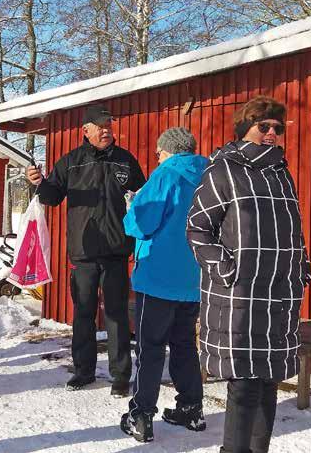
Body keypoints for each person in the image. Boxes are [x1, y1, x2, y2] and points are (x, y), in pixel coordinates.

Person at [187, 96, 311, 453]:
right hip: (239, 293)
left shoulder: (281, 173)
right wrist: (225, 268)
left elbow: (293, 228)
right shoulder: (223, 170)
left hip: (278, 293)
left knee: (268, 379)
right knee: (243, 383)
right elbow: (197, 229)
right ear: (245, 130)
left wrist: (299, 263)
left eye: (278, 128)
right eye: (264, 126)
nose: (272, 133)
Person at [26, 104, 146, 397]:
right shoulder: (71, 163)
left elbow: (143, 195)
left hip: (117, 251)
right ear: (86, 130)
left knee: (117, 315)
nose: (106, 130)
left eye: (109, 125)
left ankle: (120, 376)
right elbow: (52, 197)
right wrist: (38, 183)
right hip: (83, 252)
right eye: (100, 126)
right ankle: (83, 371)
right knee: (83, 314)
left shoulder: (125, 161)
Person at [119, 127, 208, 443]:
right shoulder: (209, 175)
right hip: (193, 278)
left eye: (158, 152)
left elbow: (141, 223)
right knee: (185, 345)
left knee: (150, 348)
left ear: (169, 150)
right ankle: (191, 408)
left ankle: (140, 415)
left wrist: (132, 207)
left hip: (158, 278)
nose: (157, 157)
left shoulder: (165, 175)